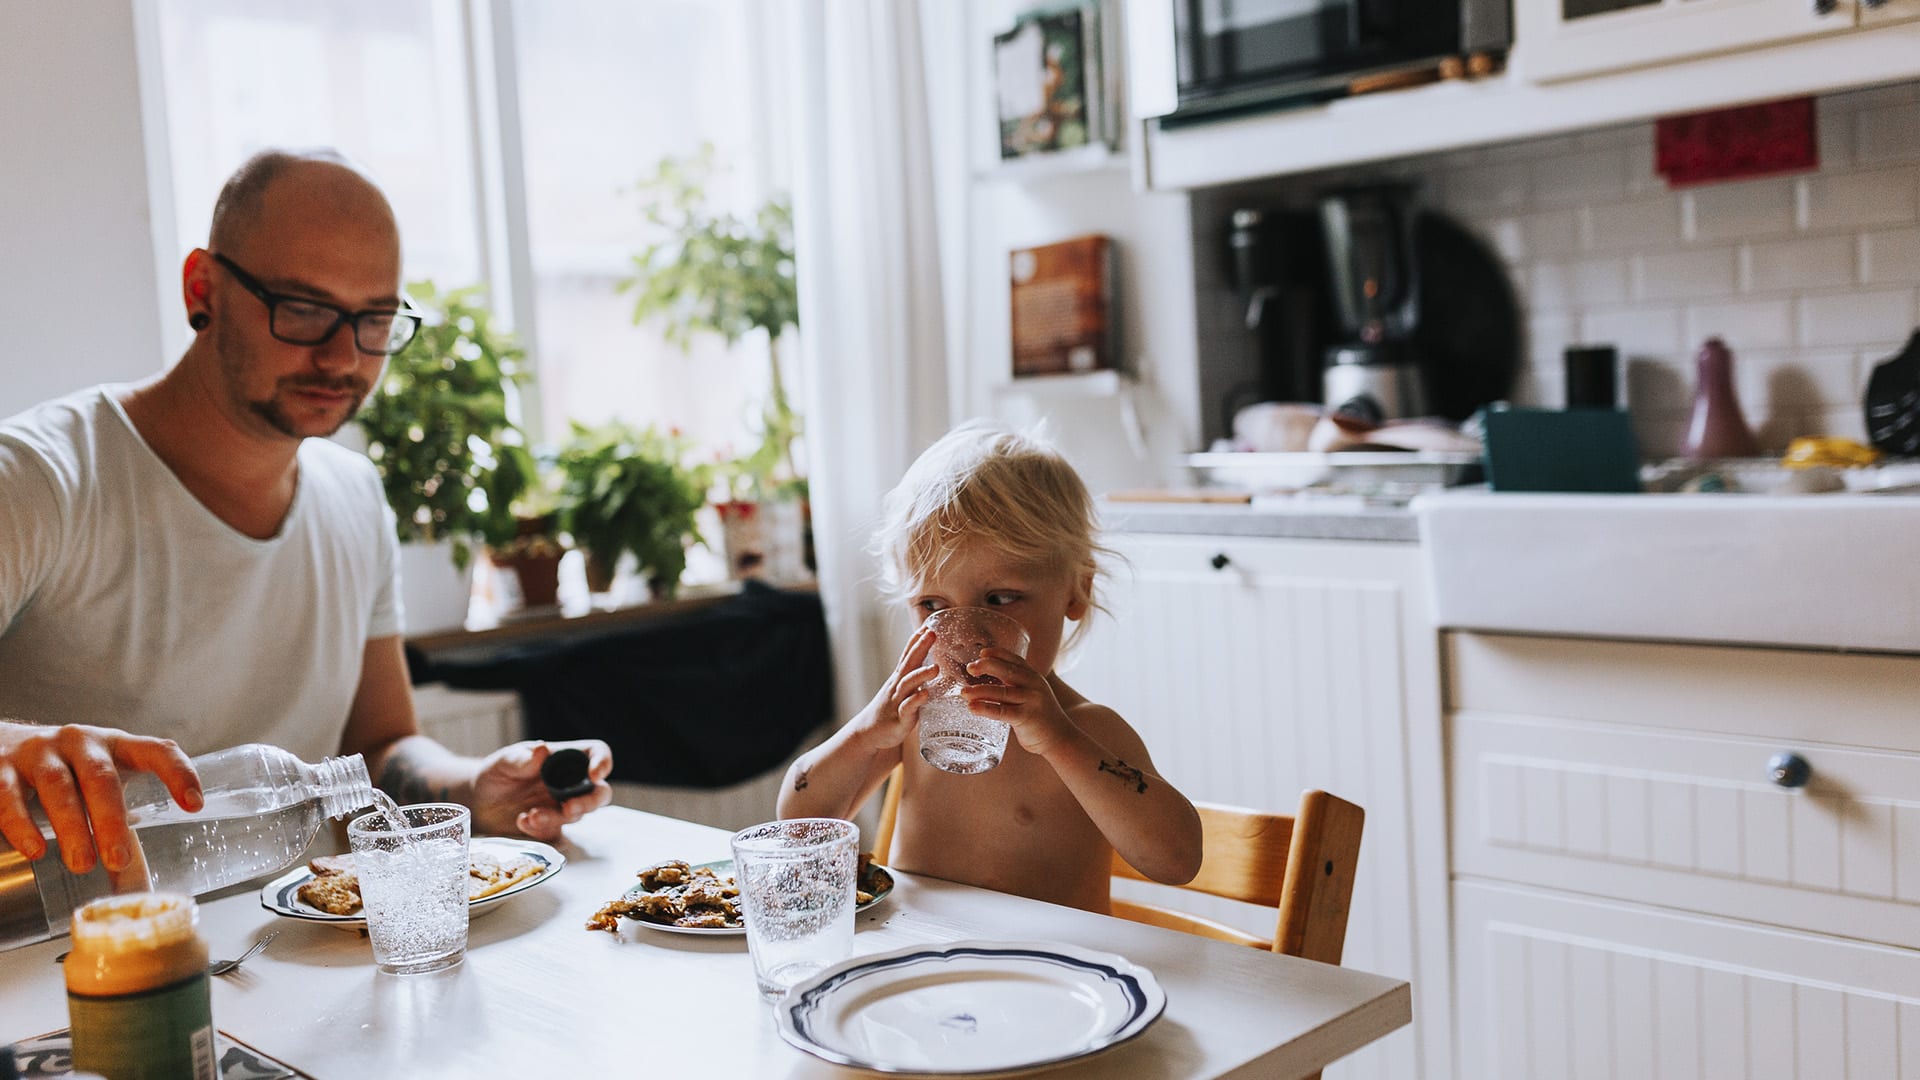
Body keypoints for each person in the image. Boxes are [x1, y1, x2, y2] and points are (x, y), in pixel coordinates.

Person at [0, 149, 613, 883]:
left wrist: (471, 785)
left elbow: (381, 747)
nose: (342, 356)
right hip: (70, 967)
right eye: (303, 310)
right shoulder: (39, 478)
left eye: (374, 319)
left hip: (287, 955)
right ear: (204, 289)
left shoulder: (353, 495)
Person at [777, 422, 1202, 912]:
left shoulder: (1087, 731)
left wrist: (1060, 742)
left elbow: (1178, 859)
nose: (969, 638)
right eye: (934, 606)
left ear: (1076, 591)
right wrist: (867, 732)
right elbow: (796, 821)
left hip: (1051, 972)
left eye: (1000, 599)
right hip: (924, 962)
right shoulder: (916, 722)